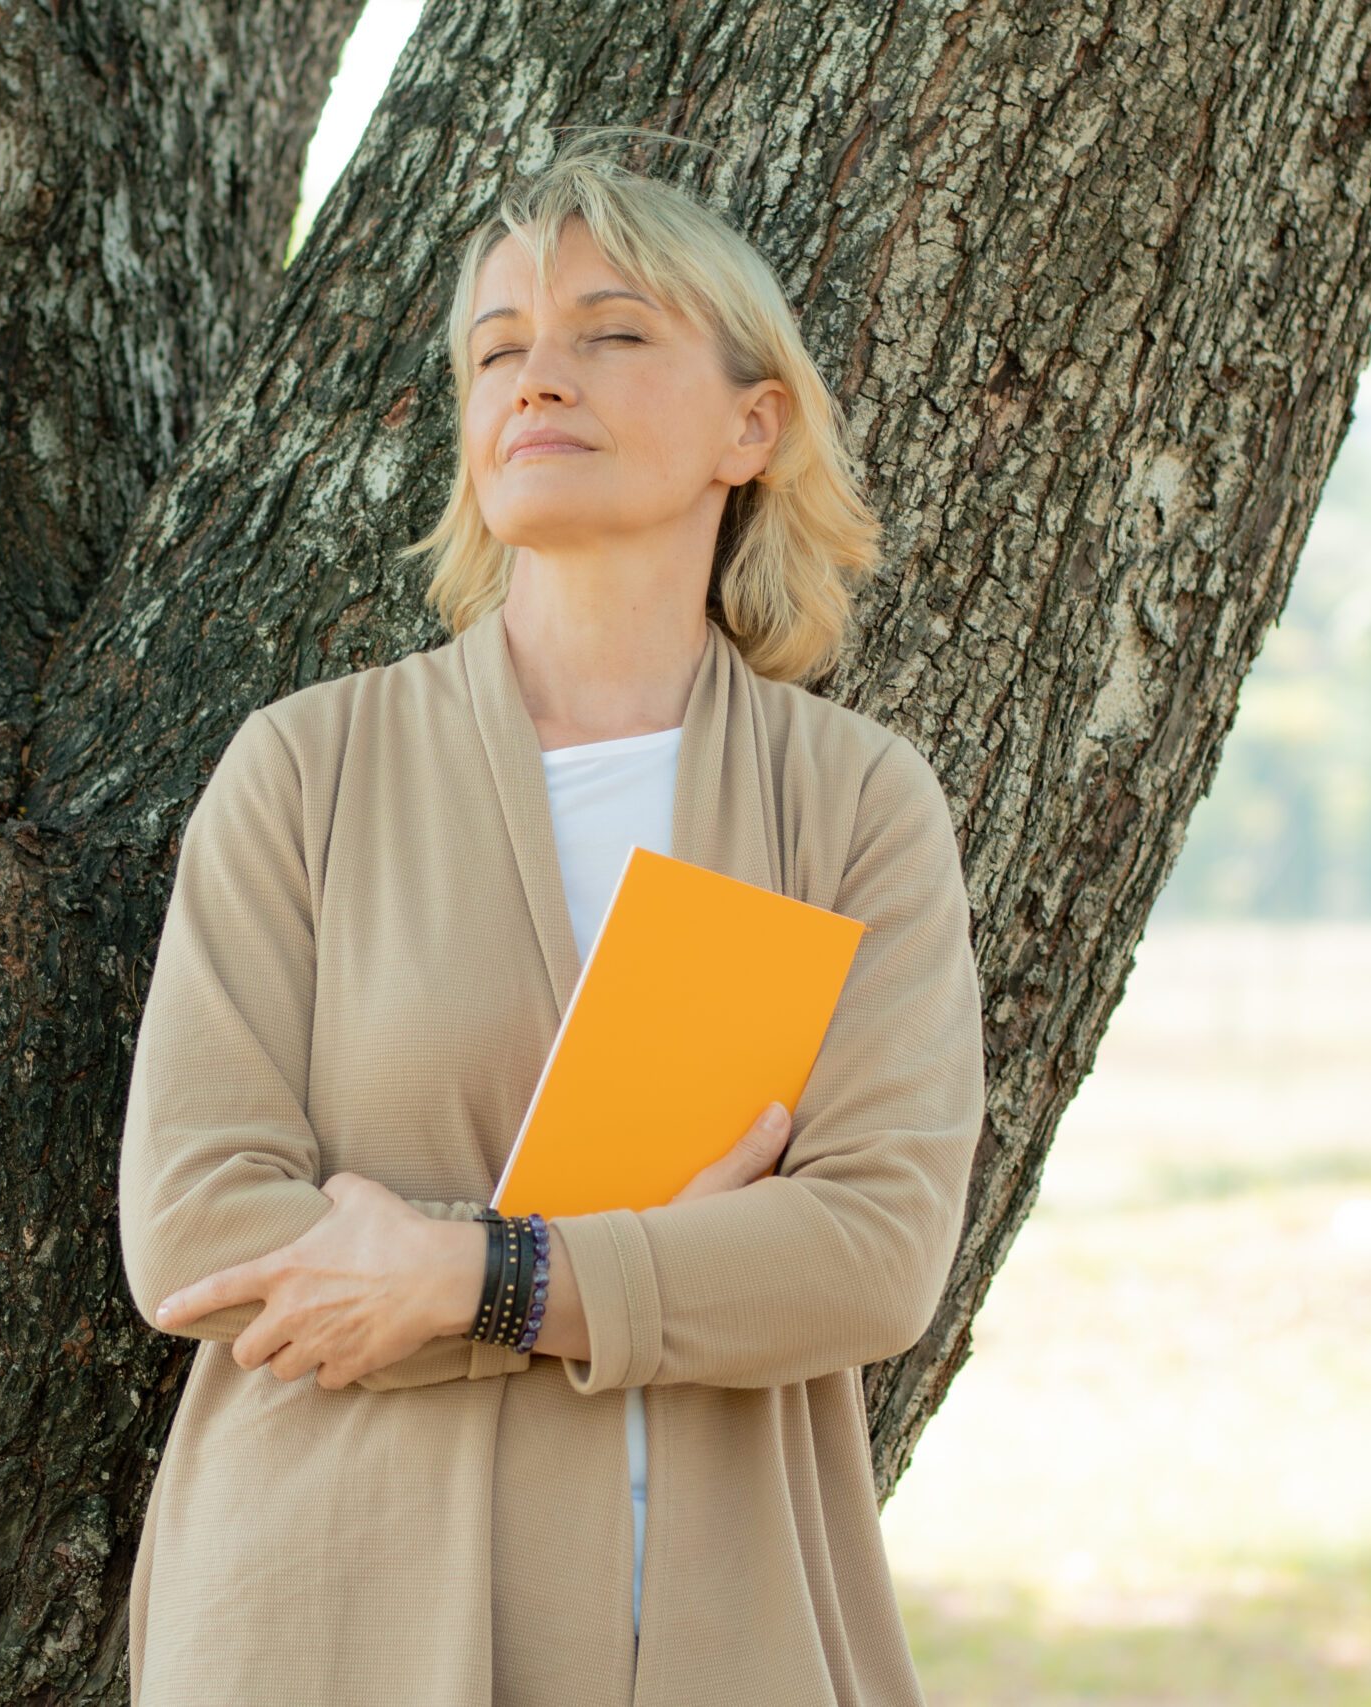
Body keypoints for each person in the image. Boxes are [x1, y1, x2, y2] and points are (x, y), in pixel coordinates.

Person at [117, 130, 988, 1706]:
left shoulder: (853, 804)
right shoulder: (308, 769)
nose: (540, 377)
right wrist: (673, 1261)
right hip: (333, 1623)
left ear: (753, 424)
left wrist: (468, 1279)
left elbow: (868, 1251)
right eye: (498, 348)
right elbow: (194, 1229)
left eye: (612, 333)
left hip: (725, 1636)